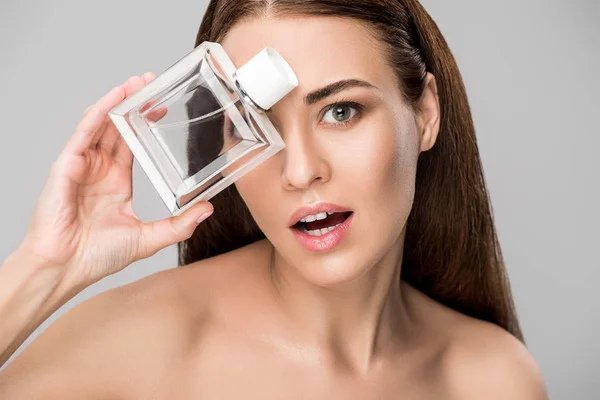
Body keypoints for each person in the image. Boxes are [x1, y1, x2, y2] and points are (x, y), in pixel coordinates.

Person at [0, 0, 549, 398]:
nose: (301, 171)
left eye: (341, 111)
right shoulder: (144, 345)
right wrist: (46, 268)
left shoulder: (494, 378)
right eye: (253, 127)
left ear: (424, 113)